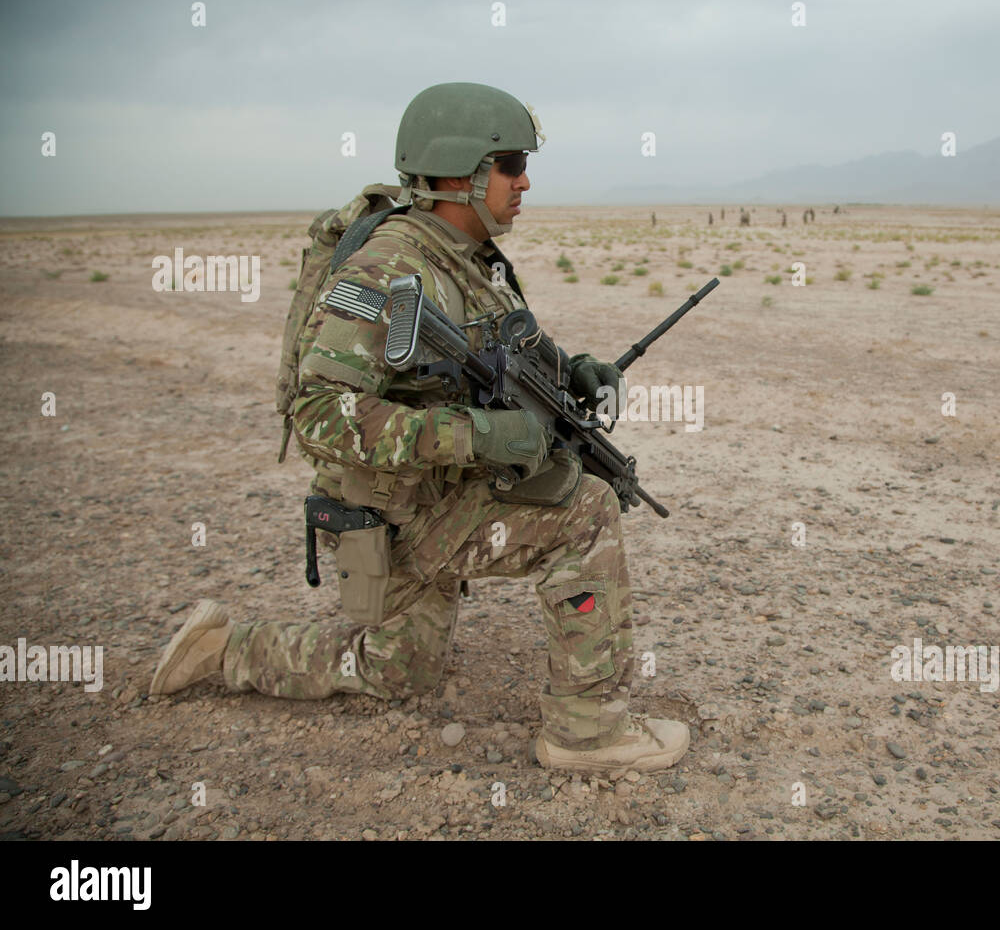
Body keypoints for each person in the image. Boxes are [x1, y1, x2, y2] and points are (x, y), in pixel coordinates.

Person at [150, 82, 689, 774]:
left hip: (421, 496)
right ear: (459, 172)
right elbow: (319, 414)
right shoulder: (392, 266)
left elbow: (504, 351)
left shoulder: (461, 258)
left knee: (400, 674)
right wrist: (477, 437)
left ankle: (225, 649)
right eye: (510, 164)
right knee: (580, 511)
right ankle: (587, 734)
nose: (524, 182)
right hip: (393, 511)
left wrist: (575, 370)